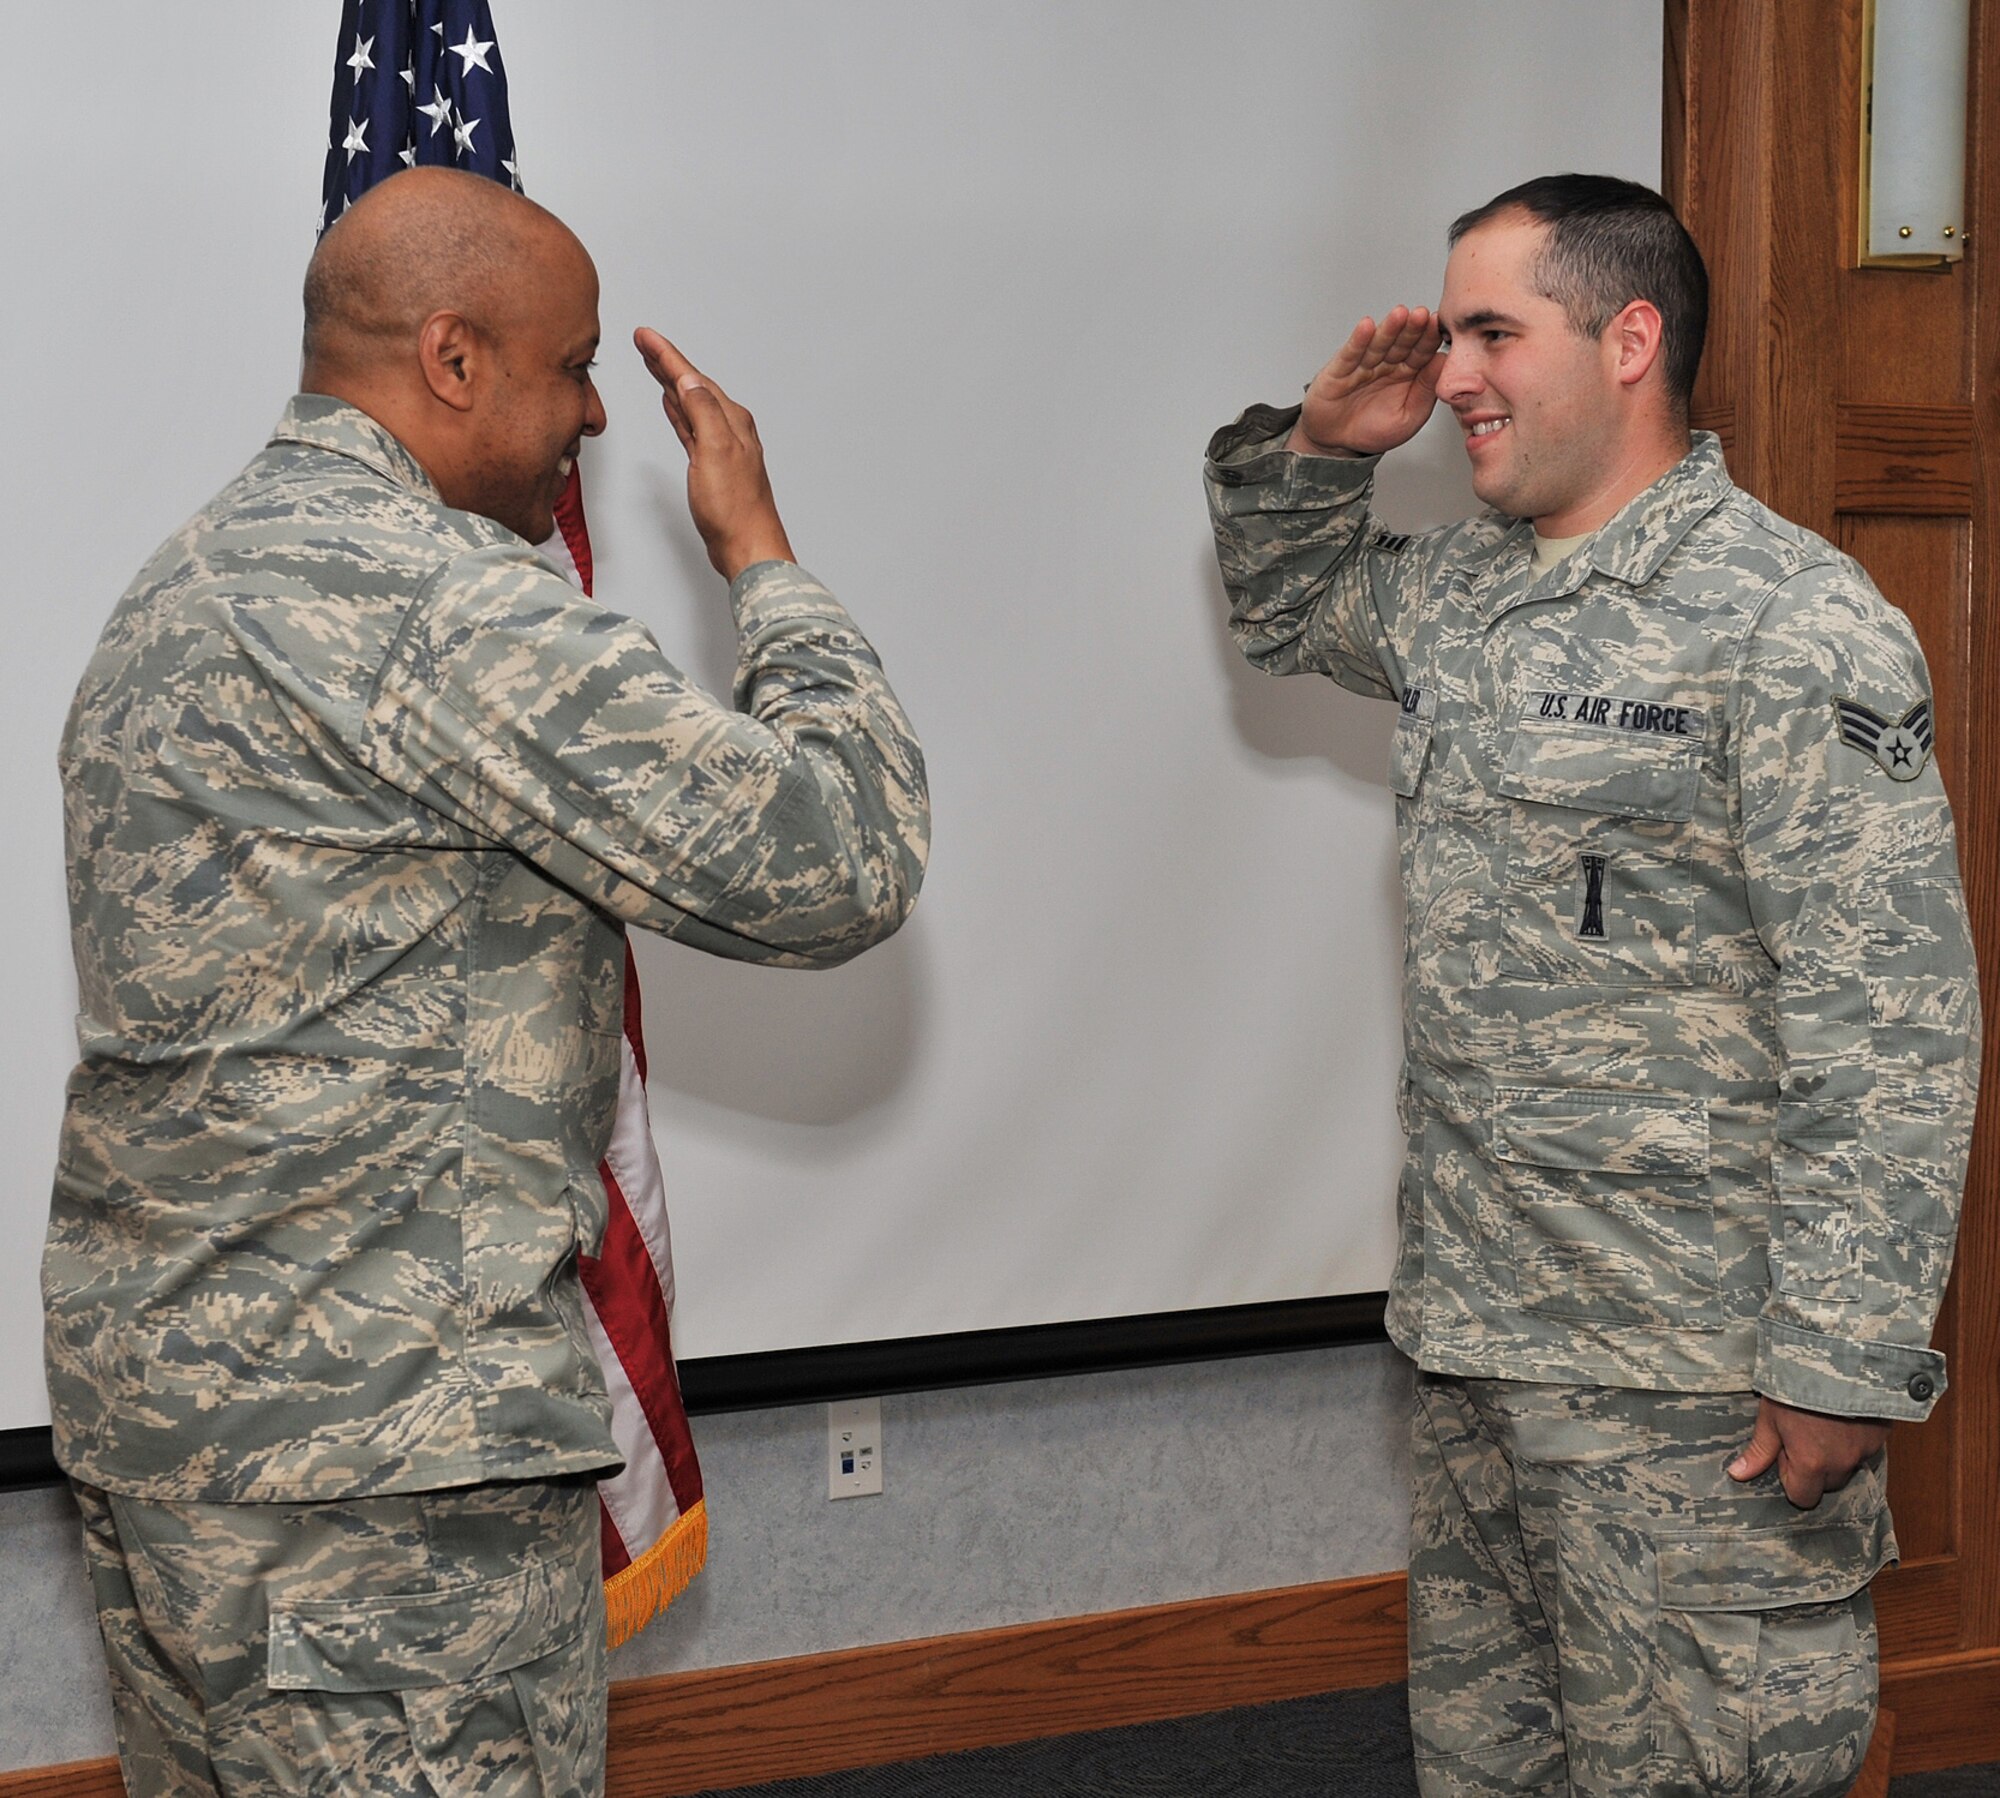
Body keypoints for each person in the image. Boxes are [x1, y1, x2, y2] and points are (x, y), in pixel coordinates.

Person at [46, 165, 928, 1797]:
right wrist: (765, 561)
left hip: (174, 1452)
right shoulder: (436, 604)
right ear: (454, 358)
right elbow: (839, 854)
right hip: (383, 1492)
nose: (593, 415)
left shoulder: (173, 590)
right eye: (572, 366)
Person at [1205, 173, 1978, 1797]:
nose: (1457, 374)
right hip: (1484, 1347)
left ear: (1632, 340)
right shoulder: (1467, 591)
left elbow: (1891, 1013)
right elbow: (1283, 609)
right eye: (1452, 330)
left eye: (1495, 330)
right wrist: (1329, 449)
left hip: (1697, 1388)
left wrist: (1840, 1352)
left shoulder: (1792, 624)